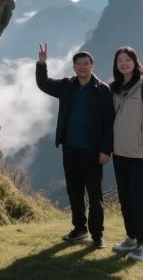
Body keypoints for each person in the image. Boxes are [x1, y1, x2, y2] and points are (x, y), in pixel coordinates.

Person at [35, 42, 115, 248]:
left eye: (86, 63)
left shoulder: (102, 90)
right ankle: (80, 229)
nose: (82, 67)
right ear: (74, 67)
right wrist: (42, 63)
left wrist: (106, 150)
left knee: (94, 194)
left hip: (92, 151)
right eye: (78, 64)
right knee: (74, 191)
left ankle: (97, 235)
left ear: (92, 66)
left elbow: (109, 123)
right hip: (70, 149)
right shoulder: (67, 86)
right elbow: (44, 84)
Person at [109, 45, 143, 262]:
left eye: (127, 60)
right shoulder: (114, 88)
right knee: (124, 196)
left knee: (137, 197)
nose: (123, 64)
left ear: (135, 62)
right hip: (119, 151)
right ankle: (131, 238)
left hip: (140, 152)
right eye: (120, 60)